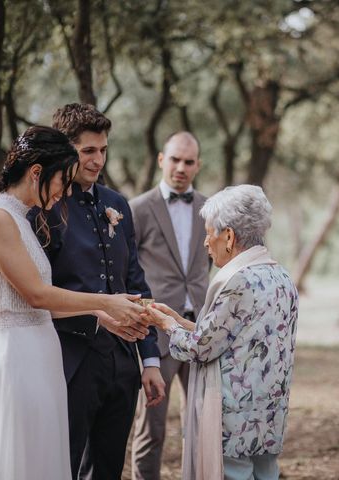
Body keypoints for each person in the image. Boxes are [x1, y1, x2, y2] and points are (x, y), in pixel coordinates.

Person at [0, 126, 145, 479]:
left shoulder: (20, 218)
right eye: (62, 179)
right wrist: (106, 302)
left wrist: (100, 312)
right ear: (36, 174)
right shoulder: (0, 219)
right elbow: (36, 294)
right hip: (19, 358)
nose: (64, 190)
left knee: (45, 459)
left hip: (40, 354)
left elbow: (40, 302)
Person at [32, 104, 166, 480]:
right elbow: (38, 290)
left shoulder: (117, 204)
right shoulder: (44, 208)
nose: (98, 160)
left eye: (103, 150)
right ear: (66, 150)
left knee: (107, 469)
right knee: (64, 464)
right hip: (70, 361)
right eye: (88, 151)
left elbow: (136, 283)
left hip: (122, 364)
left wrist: (150, 361)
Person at [143, 184, 299, 480]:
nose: (205, 243)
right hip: (268, 416)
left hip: (234, 420)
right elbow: (230, 333)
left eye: (208, 233)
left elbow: (201, 348)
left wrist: (167, 326)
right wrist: (178, 318)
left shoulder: (237, 281)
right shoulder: (281, 277)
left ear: (228, 237)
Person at [130, 132, 211, 480]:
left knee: (206, 425)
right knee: (153, 427)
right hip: (159, 332)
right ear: (162, 159)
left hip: (203, 332)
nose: (181, 168)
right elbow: (126, 269)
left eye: (189, 162)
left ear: (198, 166)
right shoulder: (136, 209)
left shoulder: (210, 208)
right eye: (175, 159)